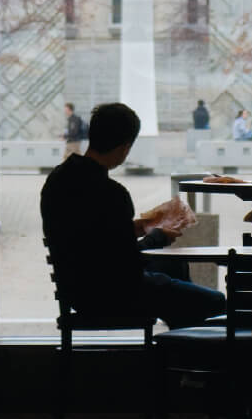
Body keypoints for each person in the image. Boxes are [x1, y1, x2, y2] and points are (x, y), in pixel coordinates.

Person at [42, 102, 225, 327]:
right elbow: (128, 264)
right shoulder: (112, 194)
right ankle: (180, 345)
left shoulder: (58, 180)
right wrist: (159, 236)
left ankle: (178, 339)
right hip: (113, 294)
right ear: (125, 147)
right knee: (215, 301)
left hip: (78, 290)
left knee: (174, 269)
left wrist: (141, 226)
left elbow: (94, 236)